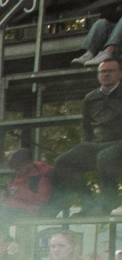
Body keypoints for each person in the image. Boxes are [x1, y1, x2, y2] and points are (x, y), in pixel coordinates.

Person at [52, 55, 122, 212]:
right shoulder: (91, 97)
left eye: (111, 71)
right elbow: (86, 125)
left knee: (104, 158)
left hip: (119, 143)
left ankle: (109, 203)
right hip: (95, 144)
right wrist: (85, 143)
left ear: (120, 73)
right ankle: (88, 203)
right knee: (62, 162)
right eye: (102, 71)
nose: (106, 74)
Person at [0, 146, 54, 214]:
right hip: (11, 210)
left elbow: (43, 200)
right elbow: (8, 197)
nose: (17, 171)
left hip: (29, 212)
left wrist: (20, 193)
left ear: (28, 164)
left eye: (18, 168)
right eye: (15, 169)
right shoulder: (15, 176)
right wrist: (6, 195)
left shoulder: (41, 177)